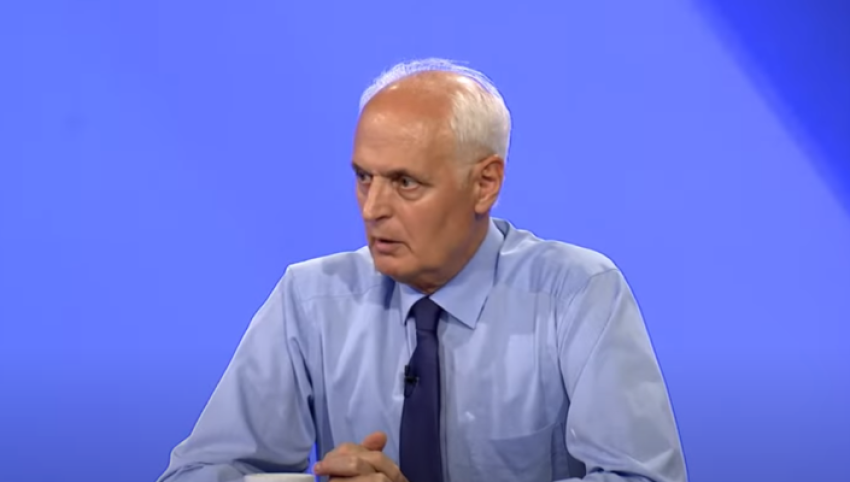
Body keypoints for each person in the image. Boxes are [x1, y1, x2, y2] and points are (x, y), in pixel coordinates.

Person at [156, 58, 688, 482]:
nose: (372, 209)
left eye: (405, 183)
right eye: (364, 178)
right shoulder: (310, 299)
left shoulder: (575, 293)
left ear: (485, 184)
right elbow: (195, 473)